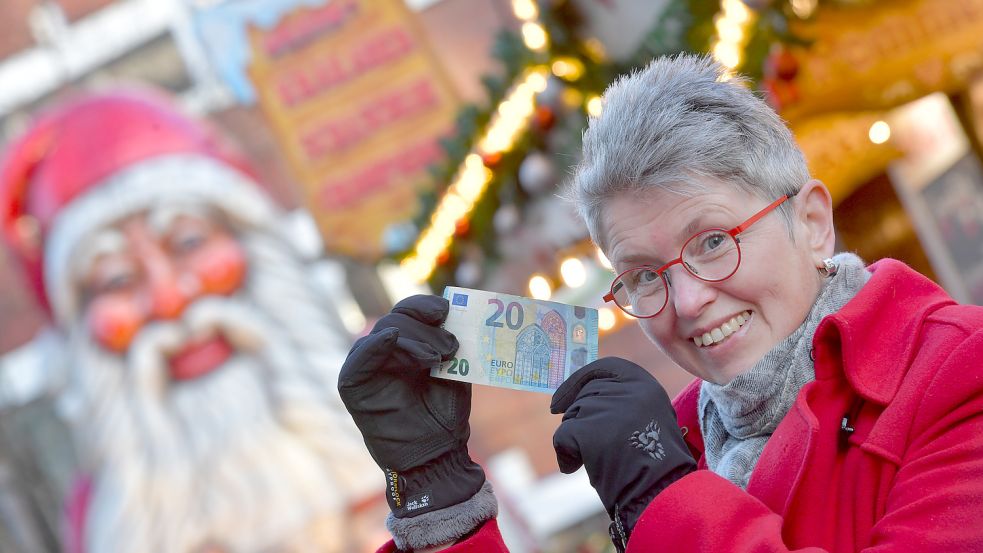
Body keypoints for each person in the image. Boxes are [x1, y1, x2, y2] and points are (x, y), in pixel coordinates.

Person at [338, 53, 983, 552]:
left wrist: (664, 495)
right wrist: (438, 496)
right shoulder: (680, 437)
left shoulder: (961, 372)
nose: (688, 299)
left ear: (812, 221)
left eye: (712, 240)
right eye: (644, 274)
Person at [0, 88, 381, 552]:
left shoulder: (393, 391)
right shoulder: (108, 521)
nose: (170, 300)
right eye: (117, 279)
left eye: (188, 244)